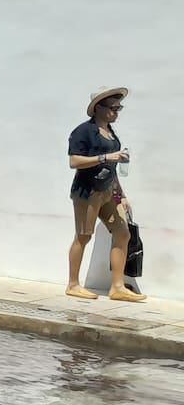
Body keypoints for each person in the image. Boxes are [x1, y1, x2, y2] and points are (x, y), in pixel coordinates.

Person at [66, 88, 145, 302]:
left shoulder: (111, 133)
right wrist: (106, 157)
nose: (116, 112)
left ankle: (117, 287)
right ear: (98, 108)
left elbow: (112, 169)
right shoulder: (83, 131)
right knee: (83, 236)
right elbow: (74, 161)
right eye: (113, 108)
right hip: (88, 191)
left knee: (123, 233)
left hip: (109, 190)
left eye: (119, 108)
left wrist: (121, 195)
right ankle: (73, 284)